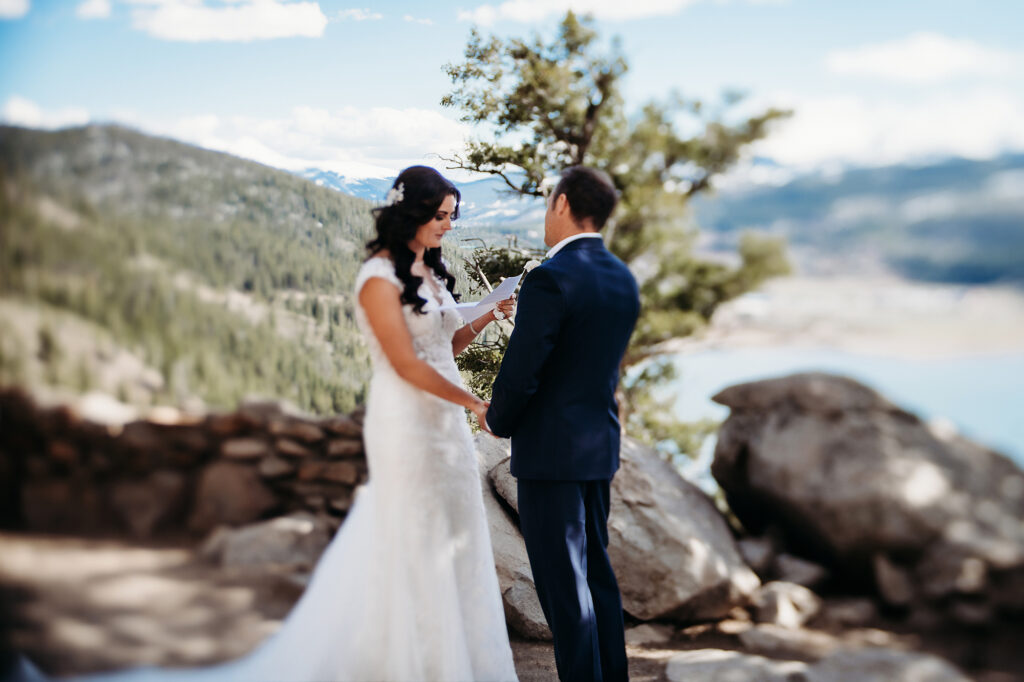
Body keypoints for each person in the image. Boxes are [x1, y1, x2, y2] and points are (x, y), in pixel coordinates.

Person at [51, 166, 519, 682]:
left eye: (453, 216)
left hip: (445, 424)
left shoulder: (429, 272)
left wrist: (482, 315)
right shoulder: (377, 278)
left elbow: (444, 350)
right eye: (439, 216)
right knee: (407, 533)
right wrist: (476, 404)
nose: (448, 225)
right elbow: (408, 365)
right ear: (411, 214)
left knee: (452, 534)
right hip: (408, 424)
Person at [486, 166, 640, 682]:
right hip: (598, 448)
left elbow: (523, 371)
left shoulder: (549, 277)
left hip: (551, 452)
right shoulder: (621, 276)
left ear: (562, 203)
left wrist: (497, 419)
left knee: (563, 587)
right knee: (596, 575)